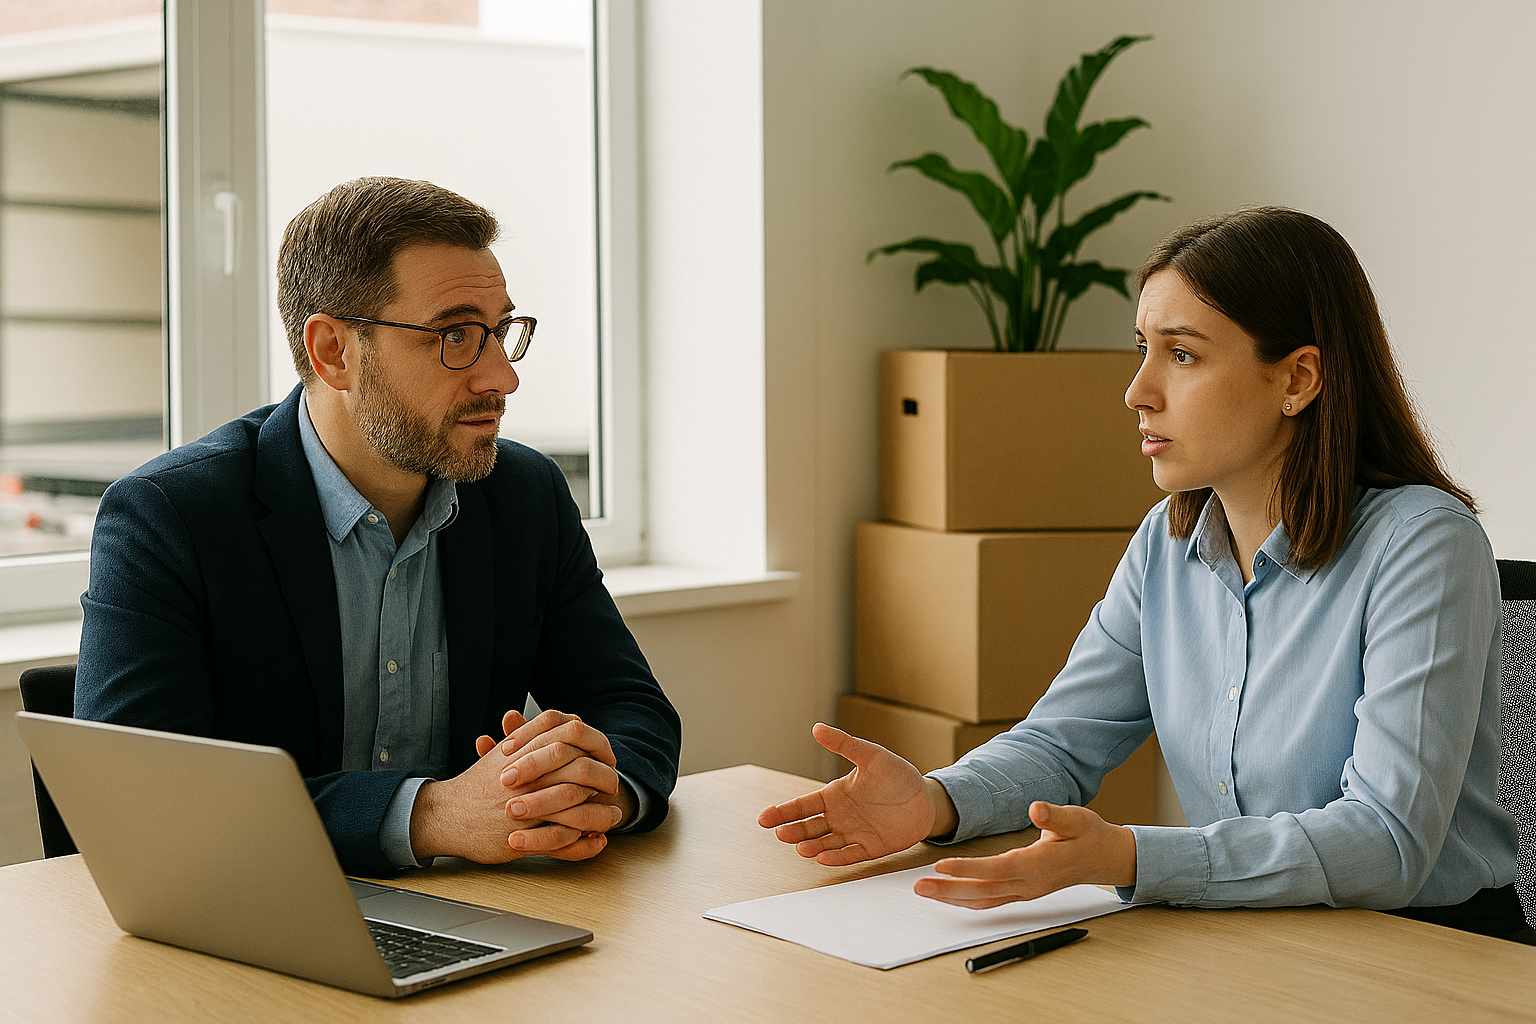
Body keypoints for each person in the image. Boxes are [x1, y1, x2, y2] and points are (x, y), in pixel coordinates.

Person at [761, 206, 1531, 941]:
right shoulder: (1168, 542)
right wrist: (933, 801)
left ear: (1298, 379)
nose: (1138, 392)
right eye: (1143, 349)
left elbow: (1386, 842)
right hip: (1252, 937)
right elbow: (1062, 744)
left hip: (1433, 949)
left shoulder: (1424, 544)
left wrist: (1130, 857)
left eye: (1183, 354)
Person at [76, 176, 681, 878]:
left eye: (500, 332)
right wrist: (433, 815)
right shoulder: (171, 517)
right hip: (253, 919)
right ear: (334, 352)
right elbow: (146, 800)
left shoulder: (524, 495)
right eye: (455, 334)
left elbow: (631, 708)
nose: (500, 378)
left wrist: (592, 789)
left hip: (483, 912)